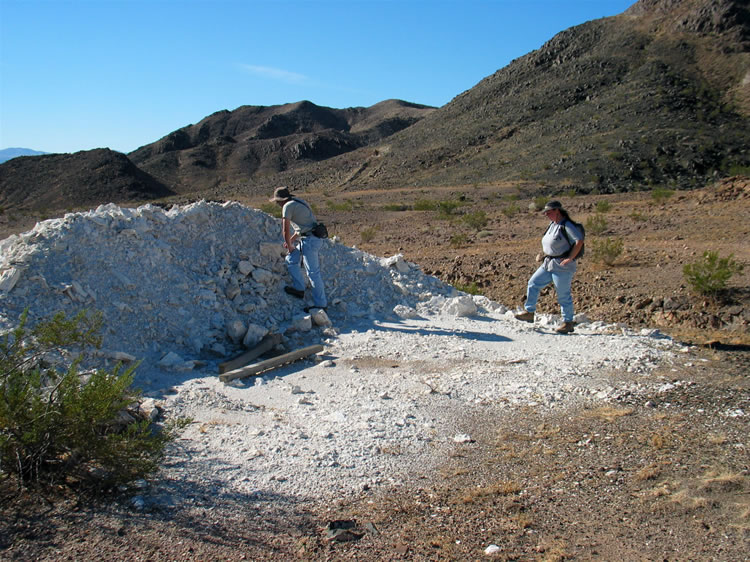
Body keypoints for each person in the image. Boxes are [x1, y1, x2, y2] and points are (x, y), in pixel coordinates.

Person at [515, 200, 583, 334]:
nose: (547, 215)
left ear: (557, 211)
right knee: (533, 283)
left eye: (549, 212)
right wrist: (544, 254)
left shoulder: (567, 225)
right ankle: (529, 312)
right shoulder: (552, 224)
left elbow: (579, 240)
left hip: (562, 265)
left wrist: (570, 258)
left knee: (563, 294)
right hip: (548, 263)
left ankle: (568, 322)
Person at [269, 186, 327, 312]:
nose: (277, 204)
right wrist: (290, 242)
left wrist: (289, 245)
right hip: (309, 238)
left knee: (313, 273)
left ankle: (321, 305)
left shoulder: (287, 206)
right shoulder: (299, 202)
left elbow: (285, 230)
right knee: (291, 259)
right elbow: (302, 227)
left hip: (310, 241)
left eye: (277, 201)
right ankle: (299, 289)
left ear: (282, 200)